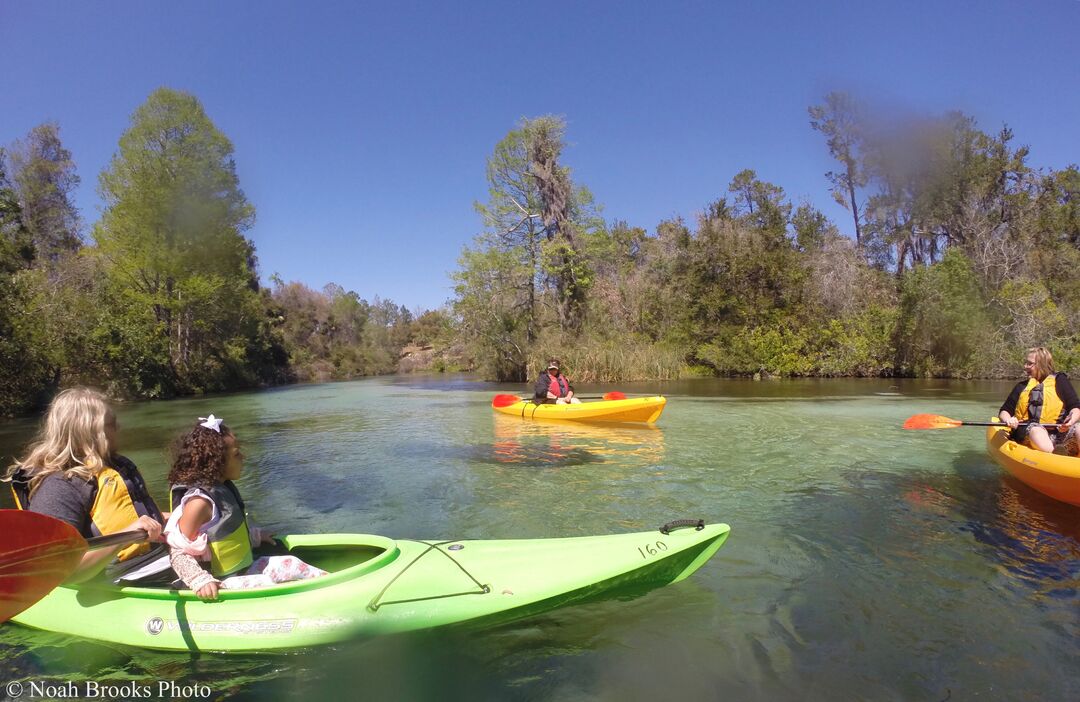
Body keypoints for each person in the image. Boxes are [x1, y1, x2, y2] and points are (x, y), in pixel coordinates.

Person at [4, 387, 168, 583]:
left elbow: (145, 515)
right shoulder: (60, 486)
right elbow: (57, 571)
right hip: (117, 581)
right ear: (88, 432)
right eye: (111, 424)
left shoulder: (118, 466)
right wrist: (126, 535)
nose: (119, 428)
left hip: (159, 561)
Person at [165, 415, 326, 601]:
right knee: (265, 583)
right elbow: (177, 550)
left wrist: (255, 536)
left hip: (241, 570)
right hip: (219, 582)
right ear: (216, 462)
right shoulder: (199, 503)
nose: (244, 457)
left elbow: (224, 534)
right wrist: (199, 579)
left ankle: (334, 587)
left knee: (292, 564)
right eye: (236, 454)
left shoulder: (223, 489)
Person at [998, 347, 1080, 454]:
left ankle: (1062, 452)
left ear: (1042, 365)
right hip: (1030, 433)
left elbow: (1075, 406)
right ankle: (1054, 456)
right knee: (1036, 429)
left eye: (1029, 363)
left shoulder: (1060, 381)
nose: (1025, 366)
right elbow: (1004, 411)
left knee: (1078, 427)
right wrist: (1008, 420)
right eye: (1026, 363)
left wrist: (1071, 421)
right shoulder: (1021, 386)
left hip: (1059, 433)